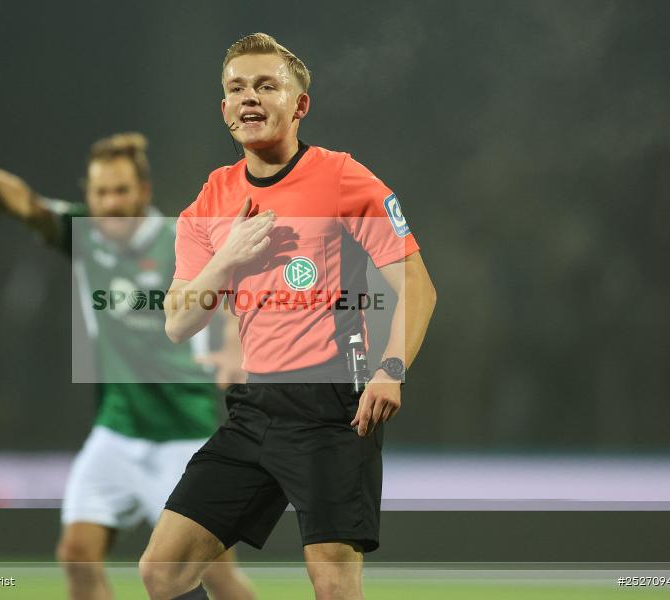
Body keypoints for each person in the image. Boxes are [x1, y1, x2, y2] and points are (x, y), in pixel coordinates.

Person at [139, 33, 437, 600]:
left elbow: (417, 286)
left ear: (300, 104)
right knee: (162, 571)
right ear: (224, 108)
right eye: (236, 88)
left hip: (334, 409)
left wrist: (391, 367)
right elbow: (178, 322)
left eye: (266, 85)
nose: (249, 97)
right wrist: (228, 257)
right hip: (254, 410)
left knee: (331, 582)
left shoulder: (344, 178)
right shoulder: (212, 197)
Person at [0, 132, 254, 600]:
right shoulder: (83, 234)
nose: (110, 202)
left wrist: (232, 347)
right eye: (101, 192)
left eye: (121, 190)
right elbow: (24, 204)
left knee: (218, 578)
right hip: (117, 432)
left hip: (183, 434)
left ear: (143, 192)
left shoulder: (181, 240)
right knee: (77, 554)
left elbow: (230, 295)